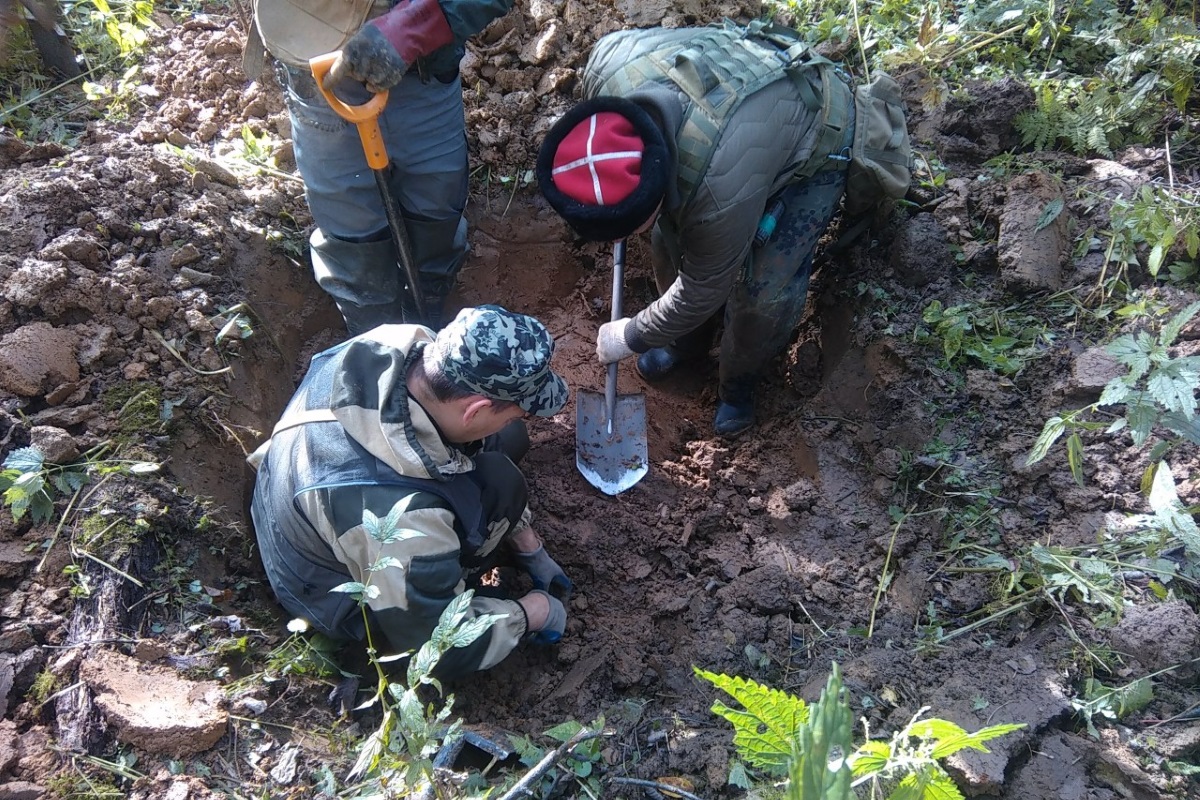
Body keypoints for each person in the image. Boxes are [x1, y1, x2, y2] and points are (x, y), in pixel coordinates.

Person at [536, 21, 860, 437]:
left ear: (654, 190)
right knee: (666, 241)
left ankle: (738, 386)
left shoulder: (716, 192)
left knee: (761, 290)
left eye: (624, 229)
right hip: (741, 128)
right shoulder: (608, 67)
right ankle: (684, 345)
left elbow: (704, 287)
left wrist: (633, 335)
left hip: (813, 137)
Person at [248, 305, 572, 680]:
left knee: (506, 440)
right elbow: (437, 647)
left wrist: (526, 541)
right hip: (327, 589)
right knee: (502, 483)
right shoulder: (403, 522)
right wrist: (531, 612)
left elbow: (487, 434)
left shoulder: (395, 346)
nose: (523, 418)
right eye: (518, 411)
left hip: (301, 493)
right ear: (475, 410)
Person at [246, 0, 516, 333]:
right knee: (352, 233)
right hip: (320, 72)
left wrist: (415, 26)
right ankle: (375, 342)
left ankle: (428, 319)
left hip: (424, 69)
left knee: (436, 211)